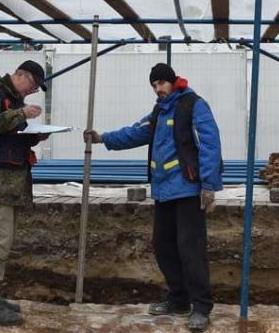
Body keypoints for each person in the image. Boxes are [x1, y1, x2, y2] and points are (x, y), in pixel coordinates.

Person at [84, 62, 222, 332]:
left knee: (190, 249)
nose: (158, 89)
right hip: (163, 190)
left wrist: (209, 184)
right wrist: (103, 138)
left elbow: (210, 143)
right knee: (164, 246)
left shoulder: (193, 105)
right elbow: (137, 132)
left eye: (161, 83)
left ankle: (202, 306)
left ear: (172, 81)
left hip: (188, 189)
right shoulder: (160, 111)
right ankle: (178, 299)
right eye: (154, 85)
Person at [0, 59, 49, 326]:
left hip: (11, 183)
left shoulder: (13, 99)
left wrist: (35, 136)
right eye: (33, 84)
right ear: (21, 75)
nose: (33, 90)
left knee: (3, 240)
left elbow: (8, 135)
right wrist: (22, 114)